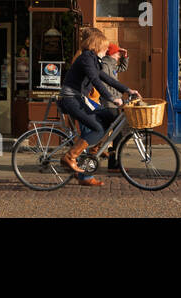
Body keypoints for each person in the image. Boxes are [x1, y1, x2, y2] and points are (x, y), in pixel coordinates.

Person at [58, 28, 139, 187]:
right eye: (104, 48)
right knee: (96, 129)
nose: (106, 51)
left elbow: (106, 78)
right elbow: (96, 80)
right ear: (96, 46)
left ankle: (89, 164)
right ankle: (71, 157)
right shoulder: (86, 58)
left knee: (111, 118)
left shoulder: (93, 60)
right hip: (71, 99)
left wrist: (127, 90)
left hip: (80, 98)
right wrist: (112, 98)